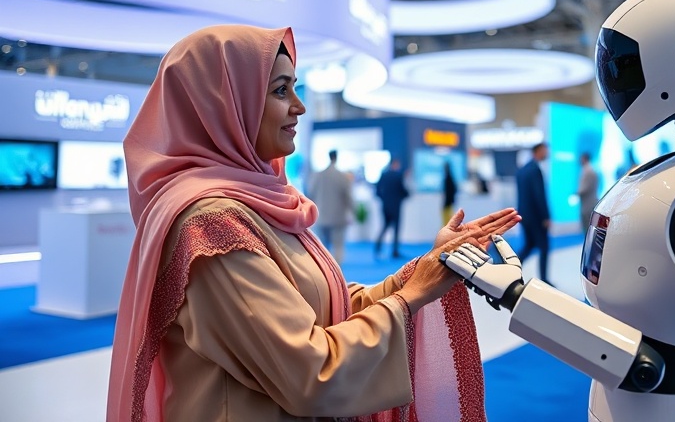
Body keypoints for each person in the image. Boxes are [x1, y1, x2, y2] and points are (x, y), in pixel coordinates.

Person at [106, 24, 521, 422]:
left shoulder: (256, 204)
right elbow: (312, 371)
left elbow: (325, 312)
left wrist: (424, 270)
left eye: (294, 88)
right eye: (280, 90)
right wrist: (410, 297)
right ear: (224, 105)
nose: (299, 106)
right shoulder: (212, 225)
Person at [307, 149, 353, 263]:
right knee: (338, 247)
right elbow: (348, 197)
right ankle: (337, 274)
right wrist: (354, 212)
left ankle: (325, 272)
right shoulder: (342, 176)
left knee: (323, 248)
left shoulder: (318, 175)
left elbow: (310, 194)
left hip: (321, 216)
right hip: (338, 217)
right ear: (336, 158)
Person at [515, 142, 552, 283]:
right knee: (544, 247)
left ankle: (512, 271)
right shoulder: (535, 170)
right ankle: (544, 279)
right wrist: (546, 216)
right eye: (545, 150)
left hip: (525, 215)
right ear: (538, 151)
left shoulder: (522, 170)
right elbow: (539, 195)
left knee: (529, 245)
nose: (547, 153)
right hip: (537, 217)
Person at [375, 158, 409, 259]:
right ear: (395, 164)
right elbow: (403, 190)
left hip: (385, 206)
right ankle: (394, 251)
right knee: (396, 229)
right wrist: (406, 195)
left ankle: (377, 246)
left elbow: (377, 190)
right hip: (396, 206)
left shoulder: (384, 175)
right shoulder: (398, 176)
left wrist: (384, 199)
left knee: (385, 226)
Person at [576, 151, 599, 233]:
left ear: (584, 159)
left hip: (588, 204)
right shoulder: (589, 169)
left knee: (588, 228)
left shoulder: (588, 171)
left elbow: (584, 188)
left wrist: (576, 193)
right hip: (589, 202)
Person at [442, 161, 458, 226]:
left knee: (448, 221)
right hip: (449, 202)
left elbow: (451, 191)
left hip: (448, 203)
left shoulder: (448, 178)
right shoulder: (450, 178)